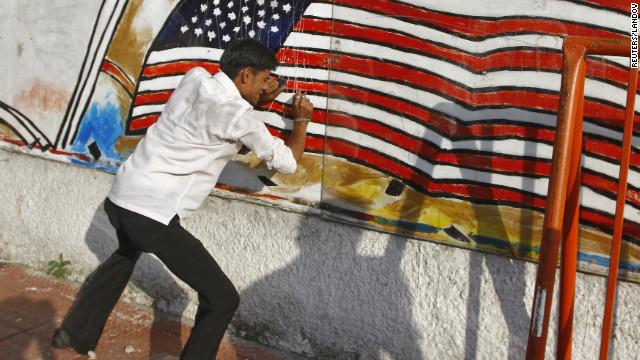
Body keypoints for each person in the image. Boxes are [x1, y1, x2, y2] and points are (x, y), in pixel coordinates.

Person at [51, 38, 314, 359]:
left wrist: (252, 101)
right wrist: (301, 120)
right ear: (246, 74)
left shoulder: (195, 77)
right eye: (263, 79)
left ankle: (73, 333)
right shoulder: (240, 118)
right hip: (152, 214)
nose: (266, 87)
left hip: (121, 199)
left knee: (124, 255)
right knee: (222, 300)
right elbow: (286, 162)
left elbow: (211, 118)